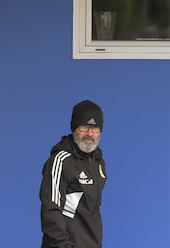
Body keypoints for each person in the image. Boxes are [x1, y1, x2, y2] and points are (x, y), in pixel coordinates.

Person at [39, 100, 107, 248]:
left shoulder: (98, 163)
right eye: (84, 127)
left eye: (95, 128)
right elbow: (51, 211)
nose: (90, 133)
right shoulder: (61, 161)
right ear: (74, 128)